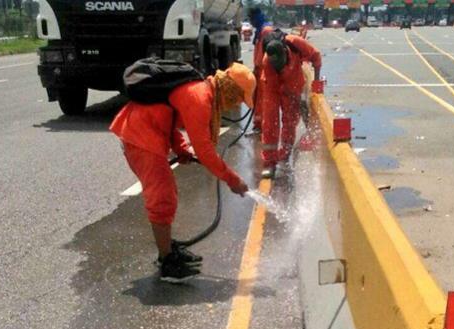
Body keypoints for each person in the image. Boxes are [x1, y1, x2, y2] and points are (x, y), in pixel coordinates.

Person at [109, 63, 255, 283]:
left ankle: (166, 248)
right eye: (238, 98)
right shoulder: (200, 98)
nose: (235, 104)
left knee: (167, 195)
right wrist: (233, 180)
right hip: (141, 137)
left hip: (147, 132)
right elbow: (205, 151)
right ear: (231, 89)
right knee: (162, 197)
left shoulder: (200, 92)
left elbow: (167, 115)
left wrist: (181, 149)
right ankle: (167, 261)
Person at [258, 32, 321, 177]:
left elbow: (316, 57)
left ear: (285, 53)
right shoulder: (268, 62)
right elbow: (274, 87)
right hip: (272, 87)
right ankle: (269, 162)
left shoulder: (295, 43)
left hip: (293, 83)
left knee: (290, 121)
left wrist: (316, 83)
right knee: (270, 121)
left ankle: (285, 155)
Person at [252, 25, 274, 133]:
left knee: (261, 99)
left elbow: (261, 55)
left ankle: (261, 125)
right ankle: (259, 124)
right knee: (258, 99)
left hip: (262, 72)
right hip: (260, 71)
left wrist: (257, 67)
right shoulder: (260, 34)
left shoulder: (265, 34)